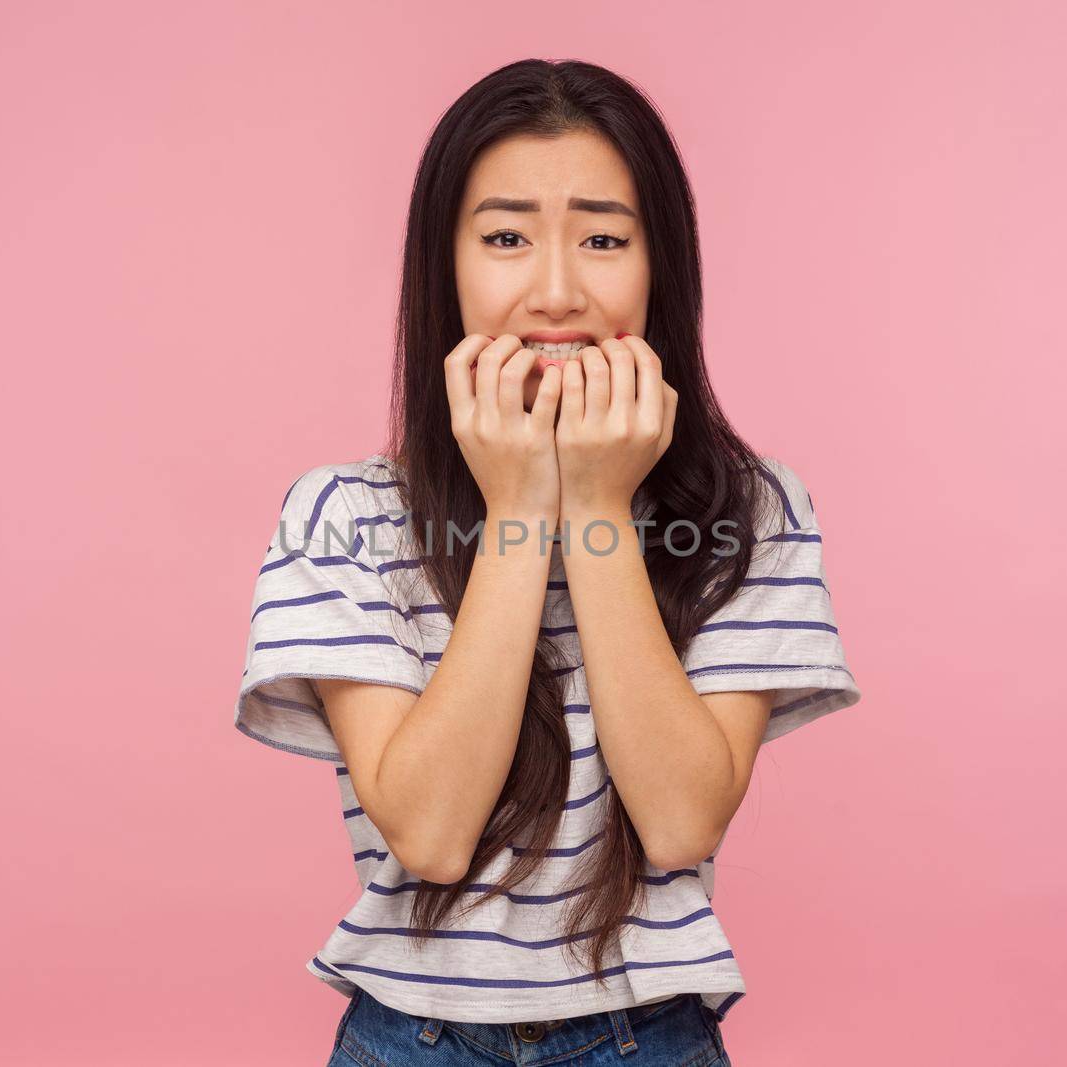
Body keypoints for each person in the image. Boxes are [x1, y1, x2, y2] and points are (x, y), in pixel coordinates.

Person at [234, 58, 863, 1066]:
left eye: (605, 238)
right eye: (505, 238)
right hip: (410, 1042)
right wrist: (523, 508)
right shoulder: (344, 514)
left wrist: (600, 504)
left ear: (662, 268)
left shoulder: (752, 508)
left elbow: (679, 819)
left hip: (648, 1040)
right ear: (444, 266)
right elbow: (431, 833)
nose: (559, 289)